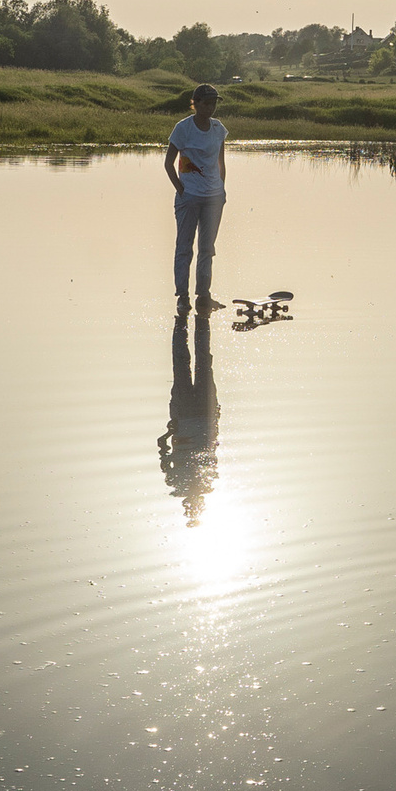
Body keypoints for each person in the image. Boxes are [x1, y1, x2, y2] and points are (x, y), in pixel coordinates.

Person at [164, 84, 229, 309]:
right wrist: (181, 191)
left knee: (207, 248)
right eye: (207, 103)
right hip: (189, 197)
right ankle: (183, 297)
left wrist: (221, 189)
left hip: (214, 197)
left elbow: (221, 162)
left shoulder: (218, 129)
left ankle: (204, 295)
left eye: (214, 103)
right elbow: (168, 163)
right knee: (184, 247)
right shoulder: (183, 128)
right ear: (196, 103)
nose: (211, 108)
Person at [157, 309, 219, 525]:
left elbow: (212, 446)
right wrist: (171, 431)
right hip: (191, 415)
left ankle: (188, 319)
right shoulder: (184, 482)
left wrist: (171, 431)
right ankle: (190, 320)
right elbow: (161, 446)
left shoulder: (196, 482)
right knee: (190, 363)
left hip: (196, 415)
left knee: (196, 363)